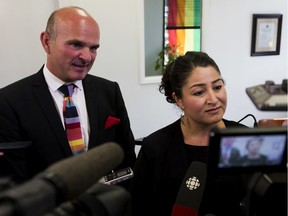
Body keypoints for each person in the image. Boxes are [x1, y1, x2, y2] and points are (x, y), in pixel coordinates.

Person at [0, 6, 136, 187]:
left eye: (93, 48)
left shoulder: (109, 91)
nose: (87, 57)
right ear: (47, 42)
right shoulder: (10, 101)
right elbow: (14, 180)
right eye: (76, 45)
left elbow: (126, 159)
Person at [130, 51, 248, 216]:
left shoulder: (246, 139)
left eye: (217, 87)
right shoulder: (155, 148)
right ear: (179, 99)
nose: (213, 99)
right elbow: (140, 208)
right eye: (199, 92)